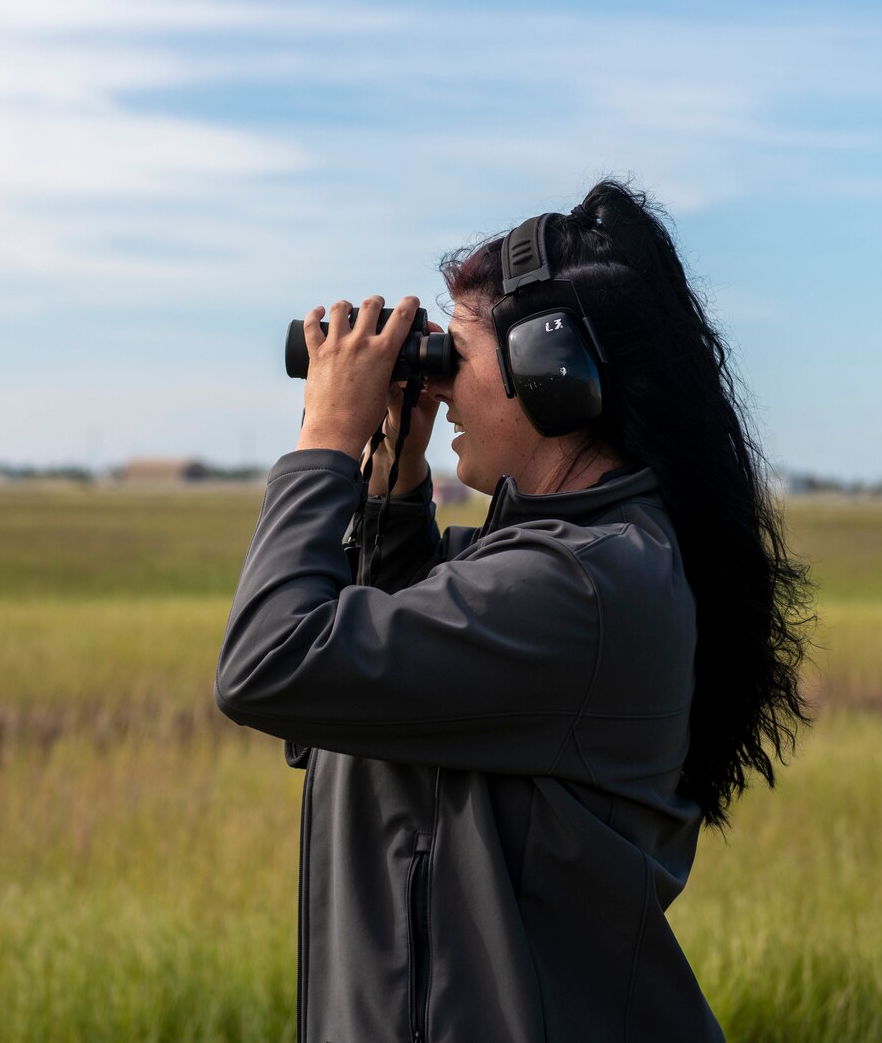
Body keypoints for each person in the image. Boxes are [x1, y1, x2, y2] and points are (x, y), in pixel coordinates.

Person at [215, 179, 813, 1042]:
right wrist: (394, 480)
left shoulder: (579, 587)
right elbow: (399, 674)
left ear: (550, 369)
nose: (442, 384)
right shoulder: (565, 566)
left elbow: (274, 662)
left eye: (455, 354)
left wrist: (326, 442)